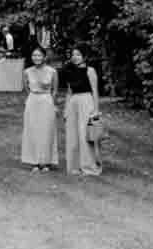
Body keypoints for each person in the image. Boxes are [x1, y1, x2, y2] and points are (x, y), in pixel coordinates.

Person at [59, 45, 103, 175]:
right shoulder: (69, 71)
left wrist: (96, 110)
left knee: (85, 134)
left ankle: (88, 166)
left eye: (78, 54)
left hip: (86, 101)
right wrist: (66, 109)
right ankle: (75, 166)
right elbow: (69, 91)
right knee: (72, 134)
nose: (75, 57)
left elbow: (95, 91)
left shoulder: (90, 71)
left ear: (84, 56)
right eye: (73, 55)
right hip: (73, 102)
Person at [19, 47, 59, 173]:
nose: (36, 58)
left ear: (44, 57)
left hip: (46, 100)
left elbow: (55, 89)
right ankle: (34, 161)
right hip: (33, 100)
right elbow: (26, 88)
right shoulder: (27, 72)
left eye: (39, 55)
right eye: (34, 55)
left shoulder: (52, 71)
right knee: (33, 130)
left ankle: (46, 161)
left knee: (47, 130)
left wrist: (51, 102)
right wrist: (31, 98)